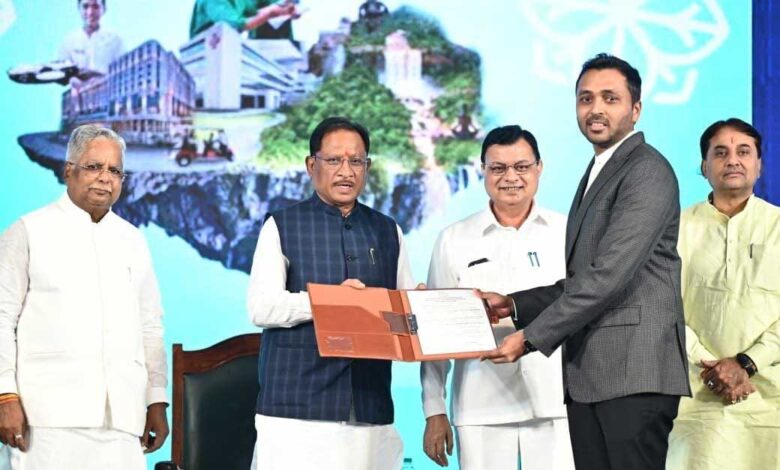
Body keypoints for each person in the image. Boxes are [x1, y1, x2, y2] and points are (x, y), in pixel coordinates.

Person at [480, 53, 690, 470]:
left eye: (610, 98)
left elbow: (608, 276)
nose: (595, 108)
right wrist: (514, 305)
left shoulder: (646, 171)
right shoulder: (600, 169)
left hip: (634, 375)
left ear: (636, 109)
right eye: (585, 98)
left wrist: (529, 338)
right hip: (595, 378)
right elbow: (585, 277)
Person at [247, 117, 415, 470]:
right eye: (334, 160)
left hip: (369, 406)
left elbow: (404, 315)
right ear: (312, 165)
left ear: (367, 167)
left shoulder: (388, 231)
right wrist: (330, 302)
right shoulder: (282, 224)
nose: (346, 171)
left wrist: (421, 309)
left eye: (356, 161)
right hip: (295, 410)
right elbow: (262, 307)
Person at [0, 124, 168, 469]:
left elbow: (150, 326)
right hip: (46, 419)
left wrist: (155, 400)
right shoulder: (29, 231)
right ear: (68, 170)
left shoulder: (132, 240)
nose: (105, 178)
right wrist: (5, 395)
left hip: (122, 420)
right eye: (93, 167)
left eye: (115, 170)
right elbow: (2, 318)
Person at [421, 125, 574, 470]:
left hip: (557, 402)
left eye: (521, 166)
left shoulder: (568, 232)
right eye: (498, 168)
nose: (511, 178)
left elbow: (582, 306)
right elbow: (435, 334)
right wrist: (434, 409)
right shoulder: (454, 239)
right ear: (483, 171)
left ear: (539, 168)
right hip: (480, 404)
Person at [666, 118, 780, 470]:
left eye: (743, 152)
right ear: (704, 167)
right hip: (697, 402)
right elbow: (663, 307)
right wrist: (711, 367)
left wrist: (747, 363)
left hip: (770, 402)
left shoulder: (777, 226)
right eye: (720, 153)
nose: (733, 160)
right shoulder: (675, 229)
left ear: (759, 165)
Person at [58, 0, 124, 80]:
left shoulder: (116, 41)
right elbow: (61, 76)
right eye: (85, 6)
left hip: (108, 87)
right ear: (79, 8)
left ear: (104, 9)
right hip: (78, 88)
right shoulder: (69, 42)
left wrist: (98, 76)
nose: (90, 12)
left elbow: (123, 73)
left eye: (95, 7)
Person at [189, 0, 297, 39]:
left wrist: (284, 7)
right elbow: (236, 24)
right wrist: (271, 12)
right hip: (204, 55)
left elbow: (254, 12)